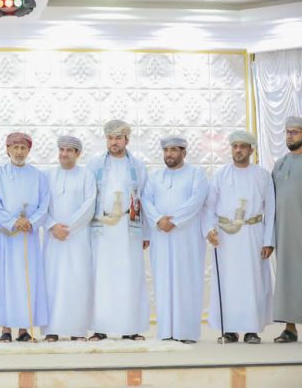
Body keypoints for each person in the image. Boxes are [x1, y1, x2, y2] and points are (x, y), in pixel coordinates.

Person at [204, 131, 274, 344]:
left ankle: (252, 330)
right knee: (228, 283)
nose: (238, 150)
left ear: (251, 150)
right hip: (226, 238)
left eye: (243, 146)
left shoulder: (262, 175)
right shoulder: (221, 174)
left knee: (253, 282)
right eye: (235, 146)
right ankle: (229, 330)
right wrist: (210, 230)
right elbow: (209, 206)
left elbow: (271, 209)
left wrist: (268, 241)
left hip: (253, 234)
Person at [87, 120, 150, 342]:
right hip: (101, 228)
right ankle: (99, 328)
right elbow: (88, 197)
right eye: (110, 138)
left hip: (128, 228)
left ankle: (130, 328)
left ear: (127, 140)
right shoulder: (94, 165)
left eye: (118, 138)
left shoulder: (138, 166)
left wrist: (146, 233)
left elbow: (144, 199)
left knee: (129, 277)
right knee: (101, 278)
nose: (114, 142)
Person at [142, 135, 208, 344]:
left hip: (186, 237)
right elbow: (146, 200)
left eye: (173, 150)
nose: (169, 154)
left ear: (183, 152)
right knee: (163, 282)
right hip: (160, 236)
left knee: (187, 281)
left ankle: (186, 332)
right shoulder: (154, 177)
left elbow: (196, 201)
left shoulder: (196, 174)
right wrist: (158, 220)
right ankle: (166, 331)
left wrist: (175, 220)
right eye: (166, 150)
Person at [0, 132, 49, 342]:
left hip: (27, 237)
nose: (19, 152)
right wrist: (13, 221)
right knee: (4, 282)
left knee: (26, 281)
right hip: (6, 238)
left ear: (29, 150)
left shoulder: (38, 176)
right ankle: (5, 329)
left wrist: (31, 222)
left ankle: (23, 329)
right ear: (8, 149)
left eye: (23, 148)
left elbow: (44, 204)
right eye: (15, 147)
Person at [41, 136, 95, 342]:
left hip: (78, 238)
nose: (64, 154)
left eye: (69, 150)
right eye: (61, 150)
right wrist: (52, 226)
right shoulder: (47, 176)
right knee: (52, 281)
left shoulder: (86, 175)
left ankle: (77, 330)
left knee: (77, 281)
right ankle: (51, 330)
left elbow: (89, 204)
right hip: (53, 238)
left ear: (77, 153)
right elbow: (41, 205)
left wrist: (69, 228)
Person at [272, 115, 302, 343]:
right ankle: (290, 328)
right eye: (287, 132)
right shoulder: (280, 164)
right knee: (287, 278)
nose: (290, 136)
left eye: (295, 132)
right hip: (285, 233)